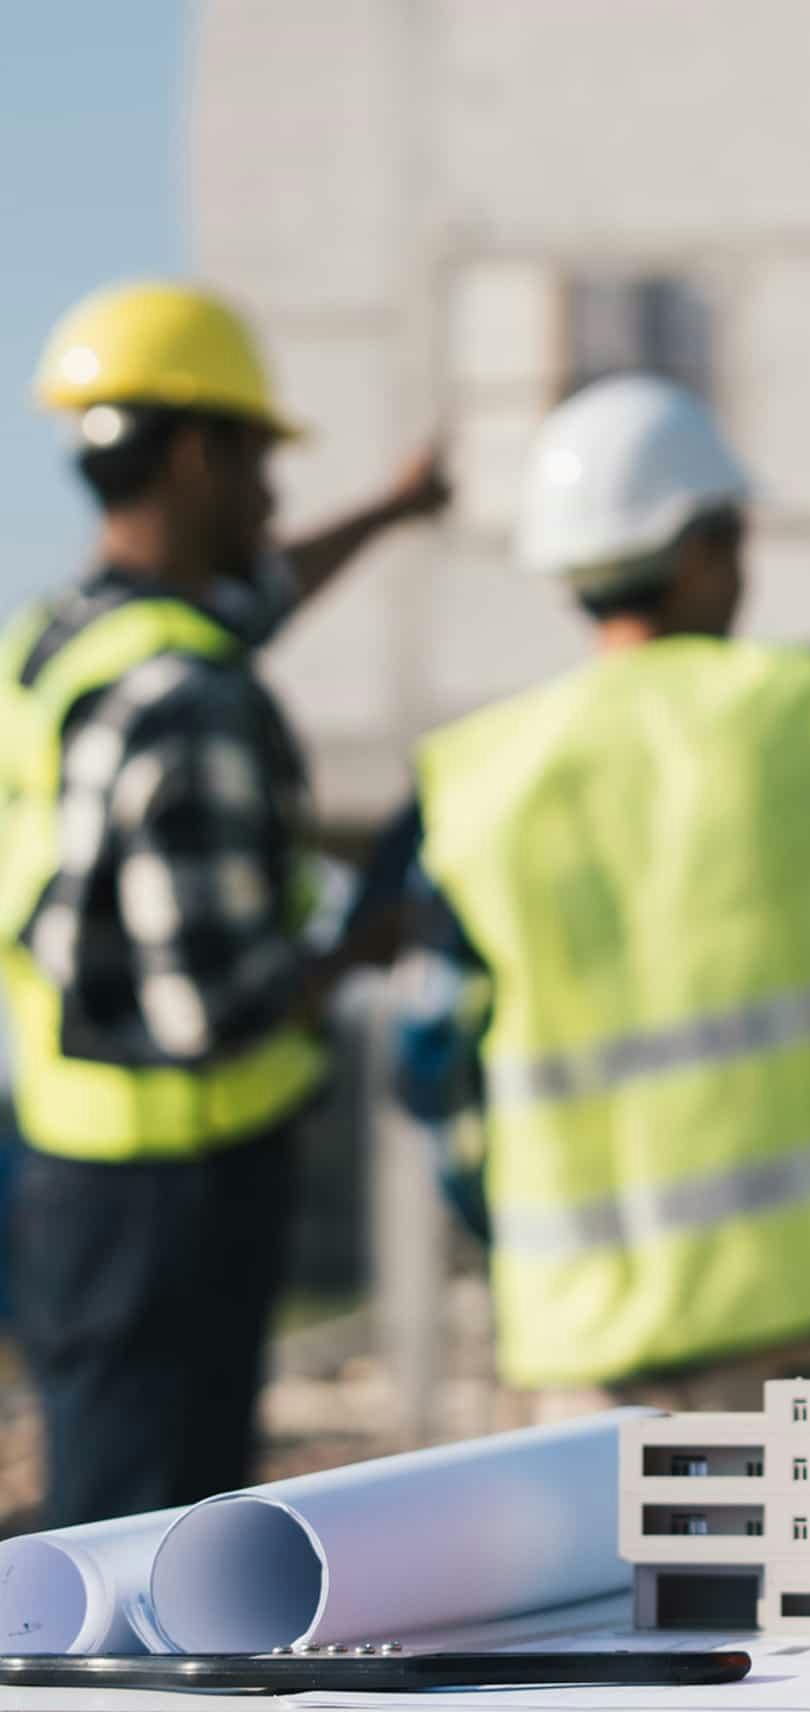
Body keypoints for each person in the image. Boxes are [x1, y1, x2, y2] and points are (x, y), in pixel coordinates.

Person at [393, 373, 810, 1551]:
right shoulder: (795, 715)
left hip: (587, 1356)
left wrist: (525, 1254)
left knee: (612, 1662)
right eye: (734, 536)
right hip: (800, 1342)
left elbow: (428, 1064)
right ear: (695, 552)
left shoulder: (477, 782)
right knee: (806, 1658)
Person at [1, 280, 449, 1528]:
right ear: (196, 452)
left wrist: (394, 510)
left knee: (104, 1526)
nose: (275, 494)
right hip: (173, 1198)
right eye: (260, 457)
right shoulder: (191, 701)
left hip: (74, 1167)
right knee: (153, 1558)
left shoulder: (59, 643)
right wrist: (361, 940)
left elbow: (252, 594)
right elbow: (212, 1004)